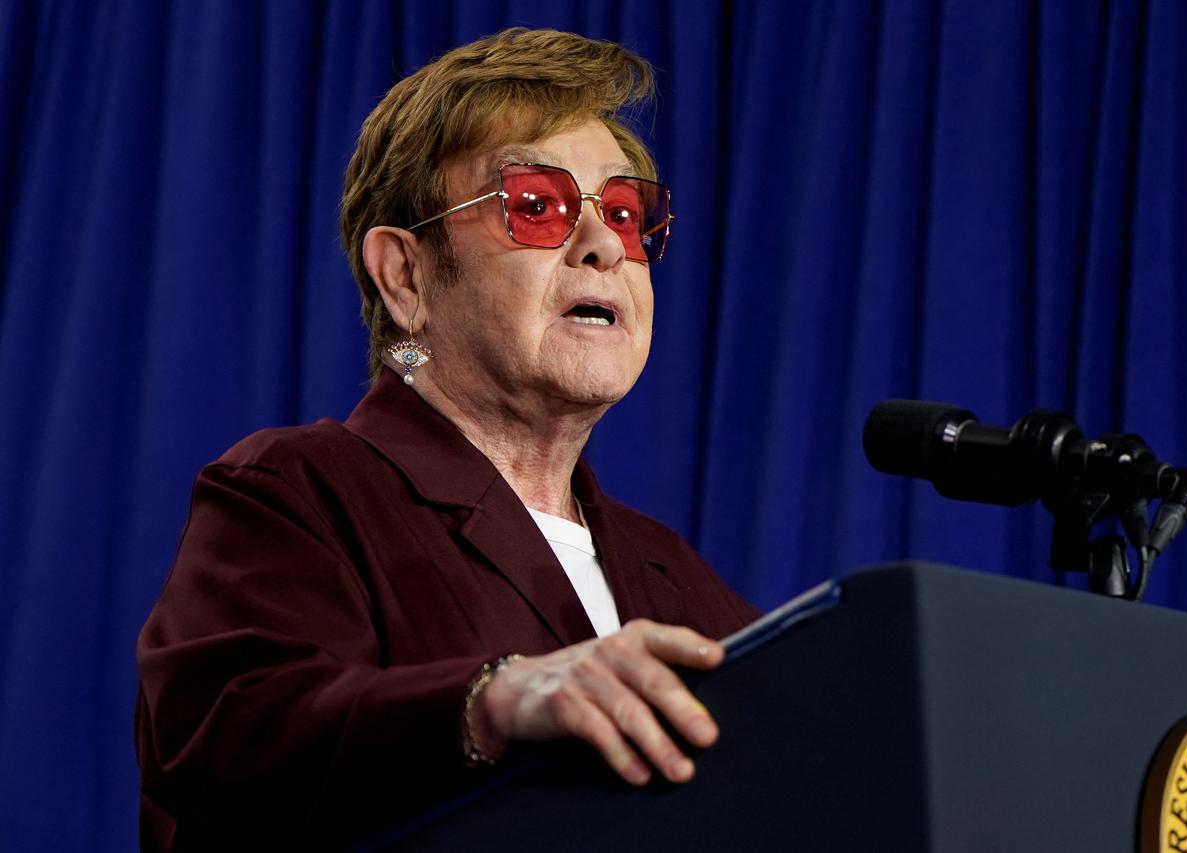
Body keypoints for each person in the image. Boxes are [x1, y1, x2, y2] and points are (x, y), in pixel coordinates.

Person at [135, 27, 759, 850]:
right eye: (536, 206)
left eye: (624, 212)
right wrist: (495, 701)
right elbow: (231, 734)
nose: (605, 245)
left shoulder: (672, 574)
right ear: (406, 274)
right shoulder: (298, 491)